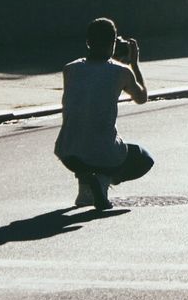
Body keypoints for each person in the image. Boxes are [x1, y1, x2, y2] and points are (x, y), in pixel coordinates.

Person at [54, 17, 154, 210]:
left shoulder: (70, 69)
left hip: (68, 152)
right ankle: (102, 180)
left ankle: (85, 189)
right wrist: (134, 63)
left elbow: (94, 83)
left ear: (87, 42)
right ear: (114, 43)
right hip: (104, 153)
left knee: (85, 138)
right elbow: (142, 97)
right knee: (144, 158)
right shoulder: (122, 72)